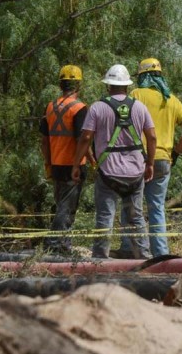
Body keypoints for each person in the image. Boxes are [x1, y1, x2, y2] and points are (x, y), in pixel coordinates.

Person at [71, 64, 156, 259]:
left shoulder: (97, 108)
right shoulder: (139, 107)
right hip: (135, 173)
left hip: (108, 174)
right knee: (136, 219)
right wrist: (150, 163)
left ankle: (100, 261)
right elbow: (152, 137)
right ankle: (143, 258)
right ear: (127, 86)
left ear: (108, 86)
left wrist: (77, 164)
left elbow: (85, 138)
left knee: (104, 218)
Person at [115, 57, 182, 257]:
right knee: (157, 208)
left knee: (130, 206)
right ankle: (160, 253)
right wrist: (176, 152)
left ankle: (129, 249)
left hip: (138, 160)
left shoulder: (136, 95)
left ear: (142, 76)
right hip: (163, 160)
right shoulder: (172, 99)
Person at [39, 64, 90, 254]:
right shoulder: (79, 108)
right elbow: (82, 139)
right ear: (78, 86)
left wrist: (48, 164)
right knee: (66, 208)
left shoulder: (50, 107)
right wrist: (82, 163)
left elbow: (44, 141)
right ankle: (53, 245)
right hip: (72, 165)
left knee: (62, 205)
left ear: (60, 85)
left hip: (56, 163)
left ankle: (63, 245)